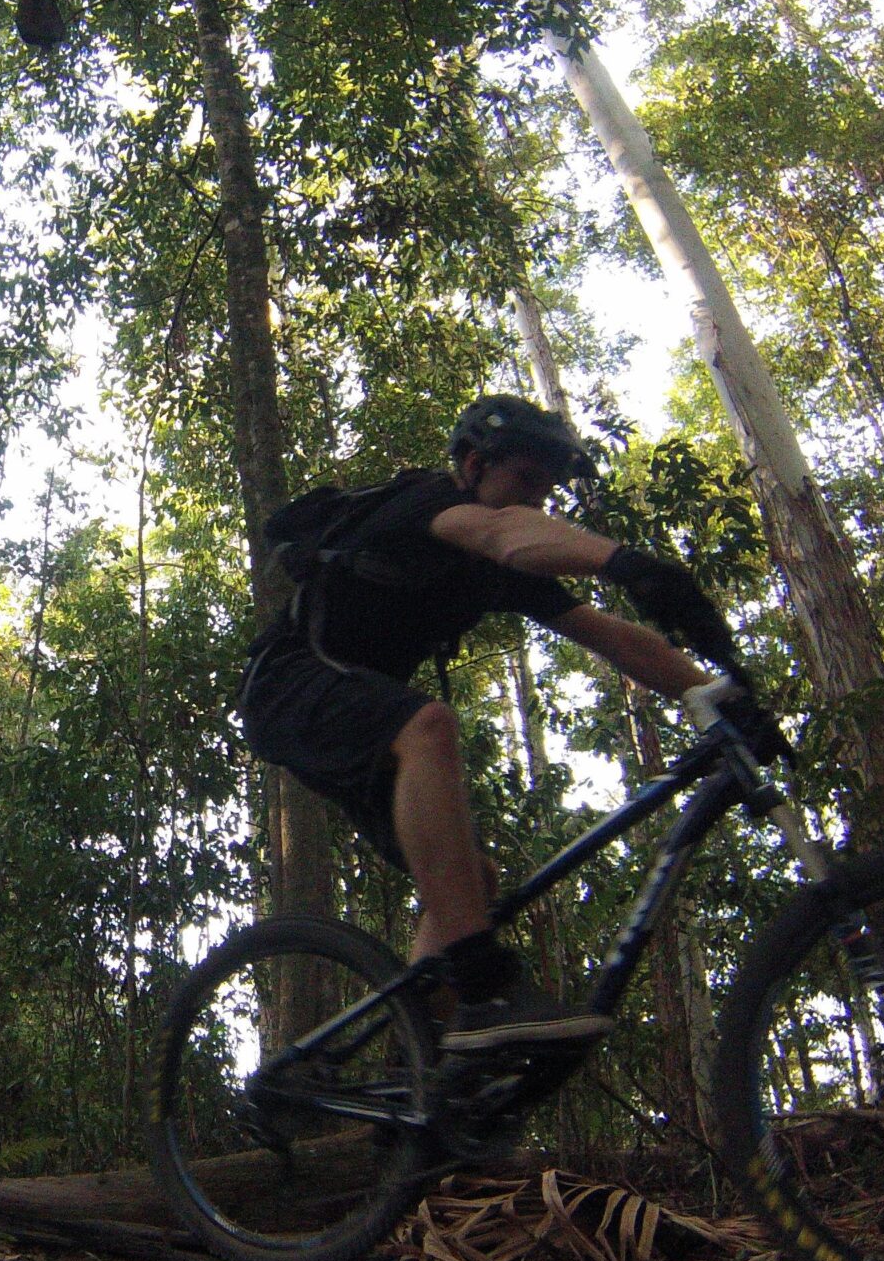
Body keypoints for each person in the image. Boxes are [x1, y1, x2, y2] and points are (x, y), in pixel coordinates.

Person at [236, 393, 784, 1052]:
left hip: (357, 713)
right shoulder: (426, 505)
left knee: (474, 882)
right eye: (525, 481)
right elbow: (499, 532)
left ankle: (419, 1079)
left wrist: (720, 693)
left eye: (545, 492)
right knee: (429, 724)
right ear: (471, 464)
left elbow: (618, 641)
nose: (535, 503)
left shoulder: (498, 568)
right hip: (287, 687)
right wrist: (622, 560)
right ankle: (483, 989)